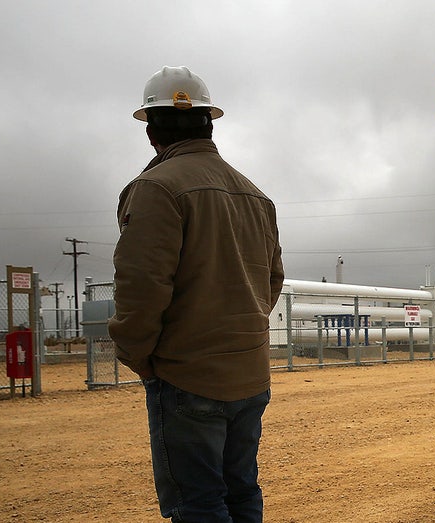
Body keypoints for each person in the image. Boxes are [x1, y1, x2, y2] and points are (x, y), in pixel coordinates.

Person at [109, 66, 284, 523]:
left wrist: (140, 356)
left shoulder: (156, 188)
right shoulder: (256, 196)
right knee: (241, 490)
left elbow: (141, 287)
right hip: (250, 375)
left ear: (151, 130)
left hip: (188, 376)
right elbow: (271, 282)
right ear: (209, 121)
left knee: (199, 503)